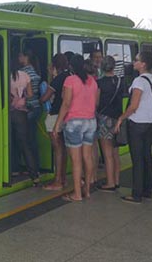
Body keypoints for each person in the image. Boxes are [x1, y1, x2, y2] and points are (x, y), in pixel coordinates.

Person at [114, 51, 152, 204]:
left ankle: (136, 194)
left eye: (136, 60)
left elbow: (133, 106)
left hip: (138, 123)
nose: (133, 62)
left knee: (137, 159)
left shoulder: (138, 81)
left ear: (143, 64)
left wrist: (120, 119)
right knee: (147, 156)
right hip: (151, 122)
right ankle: (147, 190)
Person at [53, 55, 98, 202]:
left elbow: (65, 104)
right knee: (87, 157)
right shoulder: (92, 81)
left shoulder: (70, 80)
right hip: (91, 122)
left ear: (71, 67)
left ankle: (77, 194)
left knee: (76, 160)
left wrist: (57, 125)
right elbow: (95, 102)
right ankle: (87, 190)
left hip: (74, 123)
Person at [41, 54, 72, 190]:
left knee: (57, 149)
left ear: (54, 65)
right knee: (63, 149)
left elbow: (44, 98)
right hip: (67, 116)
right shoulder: (70, 76)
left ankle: (58, 181)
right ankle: (63, 178)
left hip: (55, 115)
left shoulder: (58, 79)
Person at [96, 56, 125, 193]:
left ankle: (110, 182)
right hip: (118, 118)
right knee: (115, 152)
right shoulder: (121, 81)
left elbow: (96, 103)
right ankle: (117, 180)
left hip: (104, 118)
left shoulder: (100, 83)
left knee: (106, 153)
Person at [10, 65, 40, 183]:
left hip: (9, 111)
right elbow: (30, 94)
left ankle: (14, 169)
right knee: (24, 144)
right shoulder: (25, 75)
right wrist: (21, 97)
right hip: (21, 112)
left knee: (11, 143)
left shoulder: (5, 76)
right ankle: (34, 175)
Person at [19, 49, 42, 170]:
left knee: (25, 140)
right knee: (32, 139)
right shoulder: (35, 70)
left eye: (20, 56)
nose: (18, 58)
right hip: (37, 107)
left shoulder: (22, 72)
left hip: (27, 108)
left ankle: (30, 168)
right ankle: (36, 166)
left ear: (25, 57)